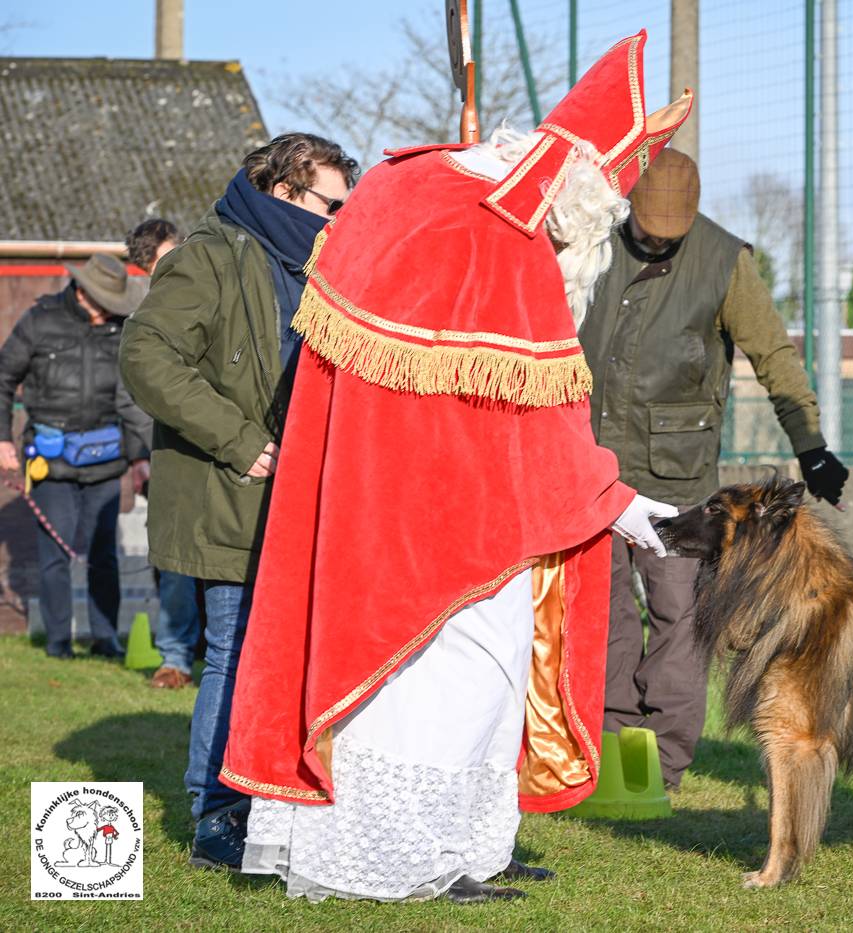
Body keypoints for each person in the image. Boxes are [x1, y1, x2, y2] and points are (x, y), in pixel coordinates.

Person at [217, 31, 691, 904]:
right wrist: (623, 507)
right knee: (446, 681)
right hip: (445, 517)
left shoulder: (419, 188)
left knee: (493, 674)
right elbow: (535, 424)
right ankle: (408, 857)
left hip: (411, 498)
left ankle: (473, 843)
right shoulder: (497, 237)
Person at [119, 133, 357, 869]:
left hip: (304, 495)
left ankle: (277, 799)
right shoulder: (210, 253)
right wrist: (236, 438)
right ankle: (216, 813)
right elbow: (146, 353)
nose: (339, 222)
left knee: (286, 656)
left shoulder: (321, 265)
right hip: (234, 492)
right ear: (284, 191)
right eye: (330, 206)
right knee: (233, 652)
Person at [578, 149, 847, 791]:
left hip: (678, 475)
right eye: (645, 228)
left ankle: (663, 763)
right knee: (604, 613)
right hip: (591, 465)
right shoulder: (592, 241)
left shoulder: (726, 260)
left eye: (669, 234)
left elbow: (774, 356)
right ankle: (611, 753)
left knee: (679, 617)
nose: (654, 240)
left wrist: (810, 444)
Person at [0, 254, 152, 659]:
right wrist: (3, 441)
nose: (108, 311)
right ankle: (58, 643)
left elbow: (132, 399)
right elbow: (3, 378)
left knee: (104, 553)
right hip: (50, 462)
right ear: (83, 291)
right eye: (104, 301)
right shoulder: (39, 321)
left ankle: (106, 639)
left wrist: (140, 457)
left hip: (106, 461)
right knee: (55, 552)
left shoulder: (121, 330)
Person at [126, 218, 201, 689]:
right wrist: (140, 453)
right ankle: (175, 657)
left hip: (215, 443)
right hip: (166, 449)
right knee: (174, 563)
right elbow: (135, 391)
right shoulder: (141, 315)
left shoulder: (206, 289)